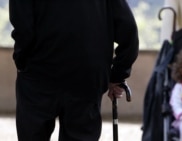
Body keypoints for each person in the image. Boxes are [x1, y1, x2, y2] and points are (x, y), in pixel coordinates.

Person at [9, 0, 139, 141]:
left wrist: (21, 62)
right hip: (86, 77)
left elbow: (23, 28)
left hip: (39, 74)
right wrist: (117, 76)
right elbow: (129, 31)